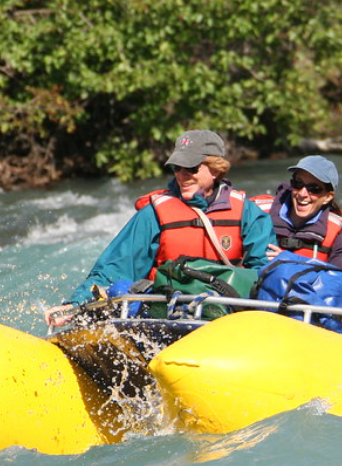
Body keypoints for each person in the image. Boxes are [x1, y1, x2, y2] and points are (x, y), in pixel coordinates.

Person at [44, 129, 275, 327]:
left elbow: (263, 273)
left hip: (225, 317)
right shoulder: (154, 214)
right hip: (168, 316)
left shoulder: (247, 213)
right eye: (176, 167)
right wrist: (75, 306)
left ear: (215, 169)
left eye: (191, 168)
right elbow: (114, 268)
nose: (182, 175)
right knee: (122, 289)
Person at [253, 155, 342, 270]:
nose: (302, 194)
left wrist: (294, 263)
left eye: (314, 189)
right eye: (298, 184)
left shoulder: (338, 229)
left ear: (328, 197)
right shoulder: (258, 211)